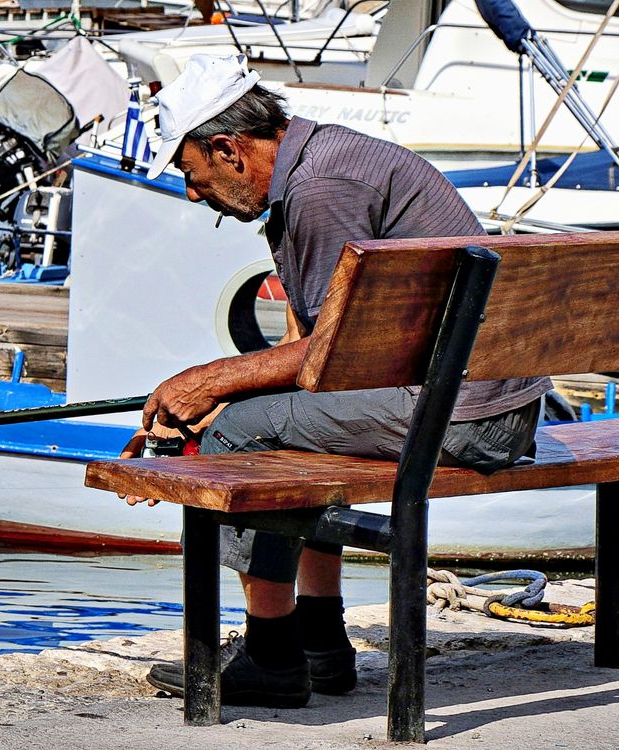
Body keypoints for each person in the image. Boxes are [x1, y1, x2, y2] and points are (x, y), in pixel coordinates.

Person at [120, 54, 552, 710]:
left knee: (243, 436)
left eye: (190, 172)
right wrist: (221, 397)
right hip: (484, 401)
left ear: (228, 150)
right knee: (260, 422)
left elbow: (336, 353)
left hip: (468, 412)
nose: (190, 192)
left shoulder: (319, 190)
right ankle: (321, 642)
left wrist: (209, 384)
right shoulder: (319, 165)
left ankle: (271, 653)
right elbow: (316, 356)